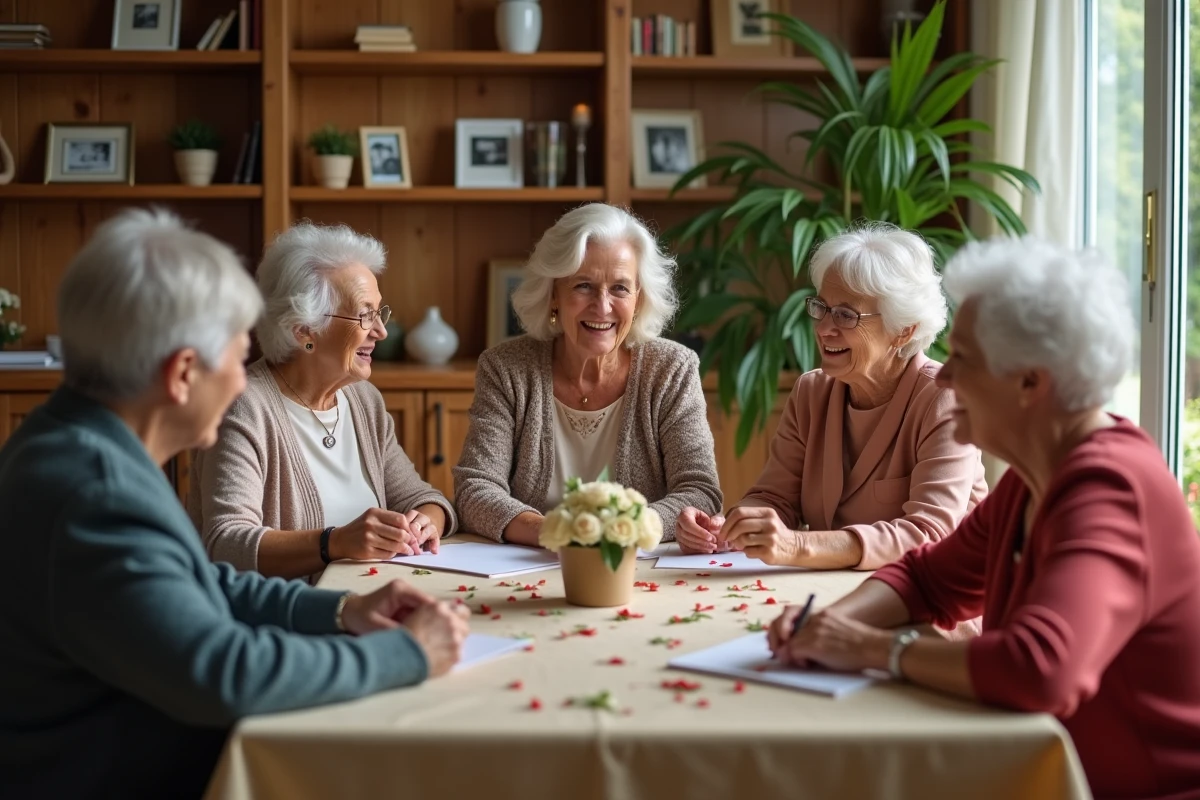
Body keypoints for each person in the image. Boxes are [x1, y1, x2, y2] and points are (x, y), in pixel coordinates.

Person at [0, 209, 470, 798]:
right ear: (183, 374)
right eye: (237, 350)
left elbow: (199, 584)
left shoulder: (80, 444)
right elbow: (224, 672)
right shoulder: (96, 492)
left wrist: (341, 611)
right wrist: (406, 655)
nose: (243, 376)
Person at [769, 238, 1200, 798]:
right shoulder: (1034, 475)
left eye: (965, 360)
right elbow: (927, 578)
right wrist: (824, 629)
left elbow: (1039, 669)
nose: (944, 378)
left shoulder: (1109, 487)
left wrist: (870, 649)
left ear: (1030, 382)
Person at [677, 223, 987, 570]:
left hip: (933, 602)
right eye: (821, 307)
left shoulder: (945, 398)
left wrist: (797, 546)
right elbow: (774, 497)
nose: (824, 328)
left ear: (904, 330)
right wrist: (733, 527)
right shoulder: (812, 391)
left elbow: (928, 534)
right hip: (835, 592)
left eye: (845, 315)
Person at [189, 222, 455, 580]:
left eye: (380, 312)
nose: (381, 331)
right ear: (304, 330)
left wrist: (426, 521)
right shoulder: (244, 407)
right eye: (365, 315)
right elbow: (225, 542)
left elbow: (420, 496)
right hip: (284, 618)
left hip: (369, 600)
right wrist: (335, 543)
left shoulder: (363, 401)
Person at [454, 203, 722, 544]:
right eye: (583, 285)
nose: (603, 305)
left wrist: (622, 532)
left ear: (639, 299)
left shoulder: (672, 370)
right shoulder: (506, 368)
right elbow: (475, 488)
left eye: (620, 288)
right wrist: (562, 535)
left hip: (635, 569)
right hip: (529, 565)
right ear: (553, 294)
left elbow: (700, 491)